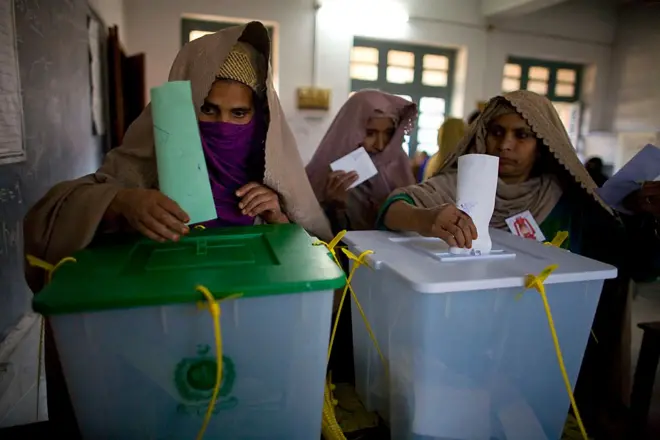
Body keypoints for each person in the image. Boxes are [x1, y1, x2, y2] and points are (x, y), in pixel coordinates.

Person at [23, 22, 330, 437]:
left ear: (261, 116)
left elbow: (316, 270)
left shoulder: (273, 175)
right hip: (153, 352)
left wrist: (278, 221)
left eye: (239, 113)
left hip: (252, 351)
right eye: (208, 109)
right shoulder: (146, 161)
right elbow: (49, 221)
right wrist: (119, 203)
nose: (222, 124)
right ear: (184, 108)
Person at [378, 90, 660, 439]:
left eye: (521, 134)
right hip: (458, 349)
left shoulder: (569, 202)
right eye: (497, 131)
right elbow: (394, 207)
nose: (505, 144)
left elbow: (637, 264)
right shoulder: (455, 186)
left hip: (539, 354)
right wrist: (426, 218)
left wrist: (648, 219)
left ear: (542, 142)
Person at [306, 90, 417, 232]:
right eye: (370, 133)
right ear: (350, 131)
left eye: (388, 133)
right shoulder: (324, 172)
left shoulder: (398, 166)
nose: (380, 145)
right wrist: (334, 207)